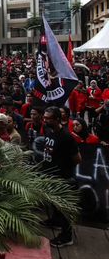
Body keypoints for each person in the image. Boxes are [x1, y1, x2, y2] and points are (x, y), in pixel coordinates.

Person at [41, 106, 81, 248]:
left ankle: (66, 236)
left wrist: (63, 166)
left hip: (62, 177)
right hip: (49, 174)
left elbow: (77, 158)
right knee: (54, 203)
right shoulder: (48, 131)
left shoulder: (66, 137)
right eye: (44, 117)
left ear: (57, 119)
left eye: (48, 118)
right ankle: (55, 221)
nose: (44, 120)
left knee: (64, 208)